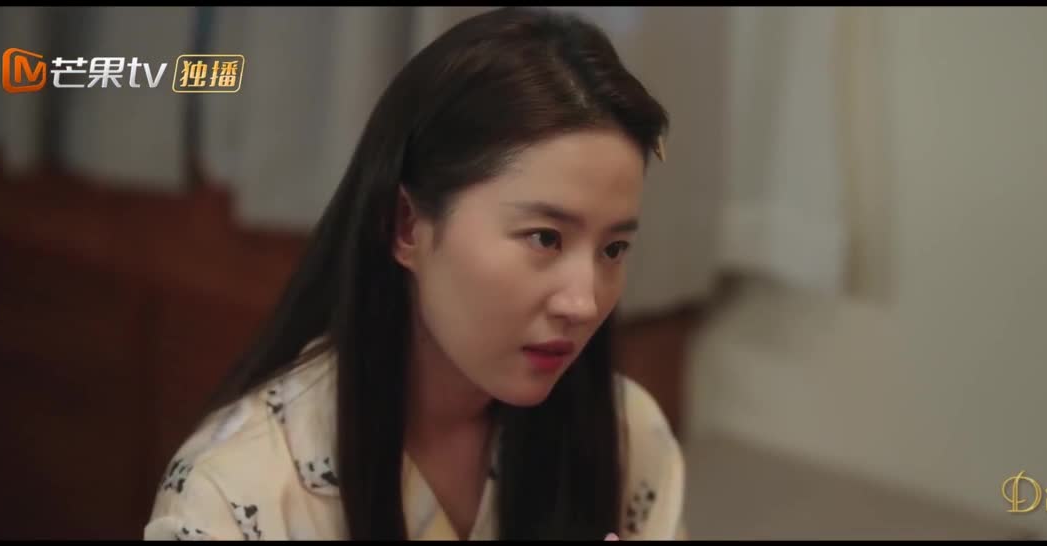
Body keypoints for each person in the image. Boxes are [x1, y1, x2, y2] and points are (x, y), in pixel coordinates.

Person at [144, 6, 685, 541]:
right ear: (406, 226)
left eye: (613, 249)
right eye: (545, 238)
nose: (584, 303)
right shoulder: (237, 491)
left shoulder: (629, 434)